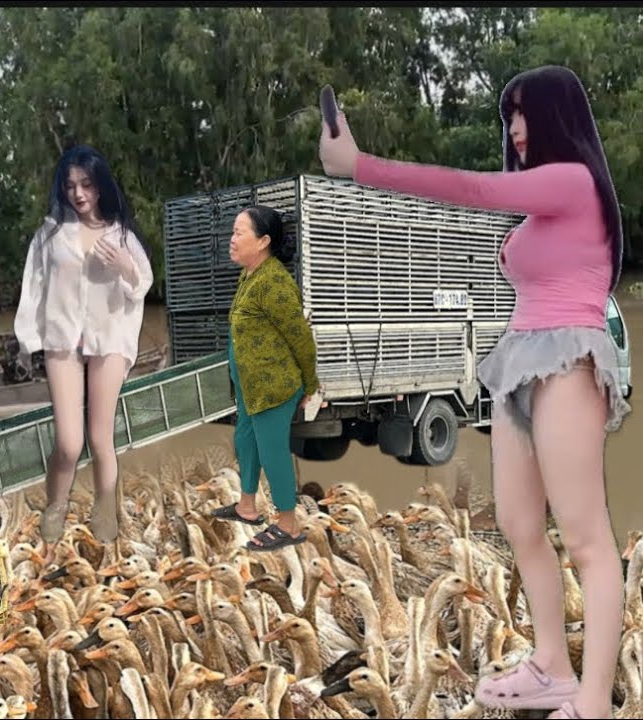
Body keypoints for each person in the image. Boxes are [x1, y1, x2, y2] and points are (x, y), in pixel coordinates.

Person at [319, 66, 630, 719]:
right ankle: (550, 666)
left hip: (568, 357)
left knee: (588, 540)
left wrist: (359, 164)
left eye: (523, 113)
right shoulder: (542, 206)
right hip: (520, 359)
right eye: (507, 116)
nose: (514, 128)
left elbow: (471, 188)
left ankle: (595, 700)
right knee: (519, 523)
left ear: (557, 115)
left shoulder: (574, 181)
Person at [14, 144, 154, 545]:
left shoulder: (120, 233)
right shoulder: (50, 234)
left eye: (86, 184)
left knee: (99, 438)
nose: (78, 193)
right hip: (62, 341)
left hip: (108, 338)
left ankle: (104, 510)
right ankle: (56, 507)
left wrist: (124, 266)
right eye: (70, 185)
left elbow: (141, 284)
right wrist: (28, 341)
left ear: (100, 186)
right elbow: (33, 288)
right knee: (69, 442)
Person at [209, 206, 320, 552]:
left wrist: (311, 384)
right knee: (246, 442)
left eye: (239, 232)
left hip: (273, 387)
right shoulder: (250, 276)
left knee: (273, 452)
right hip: (250, 386)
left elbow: (300, 337)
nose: (232, 239)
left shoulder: (274, 282)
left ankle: (288, 524)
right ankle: (247, 506)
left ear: (263, 241)